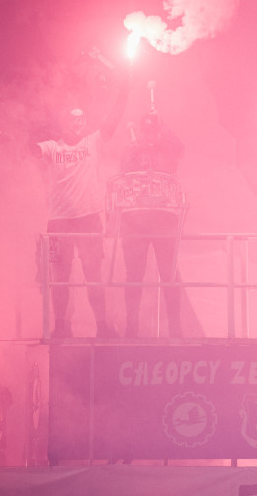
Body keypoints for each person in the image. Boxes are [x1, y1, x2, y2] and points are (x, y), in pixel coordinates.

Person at [33, 76, 127, 339]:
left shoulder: (92, 142)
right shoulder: (52, 147)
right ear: (63, 123)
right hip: (58, 222)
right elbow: (28, 150)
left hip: (88, 219)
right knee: (59, 277)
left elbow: (113, 119)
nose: (77, 123)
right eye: (71, 119)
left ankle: (102, 326)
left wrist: (125, 88)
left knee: (93, 275)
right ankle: (62, 327)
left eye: (80, 119)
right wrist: (6, 135)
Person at [118, 109, 185, 338]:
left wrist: (163, 125)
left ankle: (175, 328)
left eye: (153, 130)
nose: (149, 135)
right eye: (145, 130)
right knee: (134, 275)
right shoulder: (131, 149)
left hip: (164, 218)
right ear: (139, 130)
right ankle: (131, 328)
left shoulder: (167, 146)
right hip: (135, 219)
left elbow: (180, 148)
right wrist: (136, 149)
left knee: (169, 273)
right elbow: (123, 172)